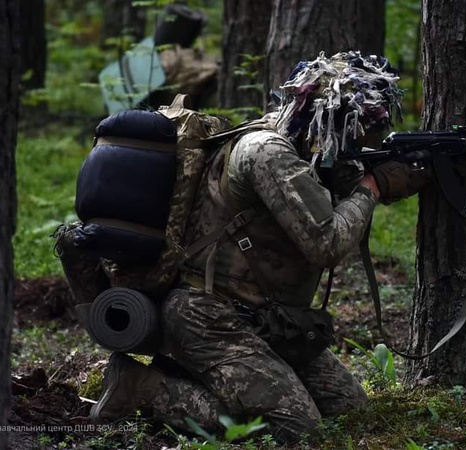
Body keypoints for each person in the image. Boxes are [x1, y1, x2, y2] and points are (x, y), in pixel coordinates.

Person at [87, 51, 429, 443]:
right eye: (357, 129)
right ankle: (144, 387)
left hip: (269, 321)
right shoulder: (268, 153)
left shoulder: (308, 150)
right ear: (329, 117)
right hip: (209, 316)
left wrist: (395, 171)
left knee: (351, 412)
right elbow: (327, 243)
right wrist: (373, 188)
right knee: (297, 430)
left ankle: (219, 382)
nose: (360, 141)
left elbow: (333, 185)